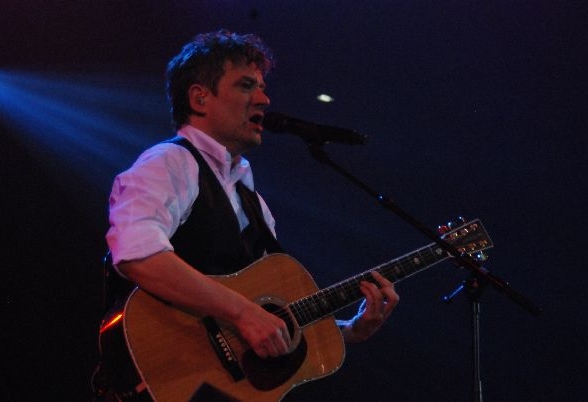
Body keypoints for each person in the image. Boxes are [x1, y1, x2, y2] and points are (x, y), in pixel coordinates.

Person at [93, 29, 399, 401]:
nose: (264, 99)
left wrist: (349, 329)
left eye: (262, 88)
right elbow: (136, 254)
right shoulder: (169, 163)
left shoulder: (250, 198)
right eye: (246, 86)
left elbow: (266, 315)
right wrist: (241, 313)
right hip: (163, 375)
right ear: (200, 98)